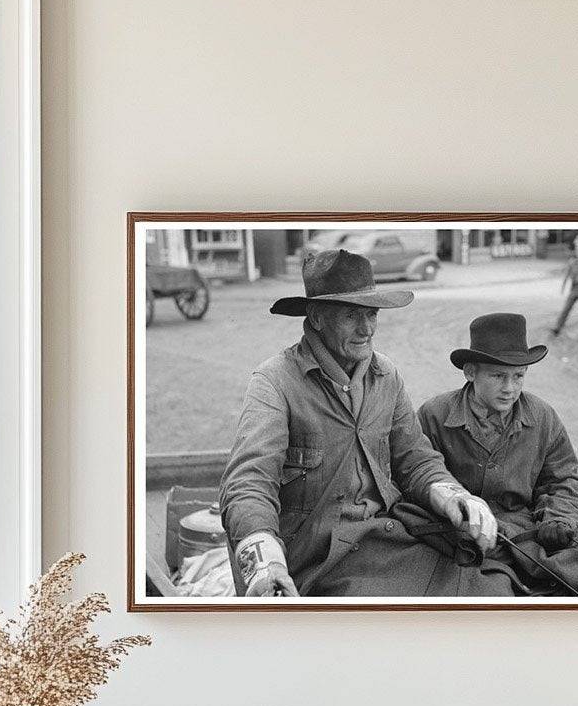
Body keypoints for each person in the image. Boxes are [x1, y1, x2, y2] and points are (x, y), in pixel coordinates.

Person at [219, 249, 513, 598]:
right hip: (314, 560)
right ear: (316, 317)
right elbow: (248, 483)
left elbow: (415, 458)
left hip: (380, 538)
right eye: (351, 315)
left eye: (372, 314)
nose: (367, 328)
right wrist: (266, 564)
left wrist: (455, 496)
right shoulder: (274, 382)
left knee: (489, 582)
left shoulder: (385, 374)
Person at [418, 312, 578, 597]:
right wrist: (458, 515)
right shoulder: (434, 415)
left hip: (527, 535)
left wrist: (559, 520)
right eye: (498, 376)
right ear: (470, 371)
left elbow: (563, 481)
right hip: (458, 536)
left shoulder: (543, 416)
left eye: (518, 376)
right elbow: (418, 475)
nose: (509, 388)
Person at [551, 238, 578, 338]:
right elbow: (567, 275)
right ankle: (557, 328)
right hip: (575, 288)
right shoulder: (572, 262)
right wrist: (563, 286)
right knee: (566, 308)